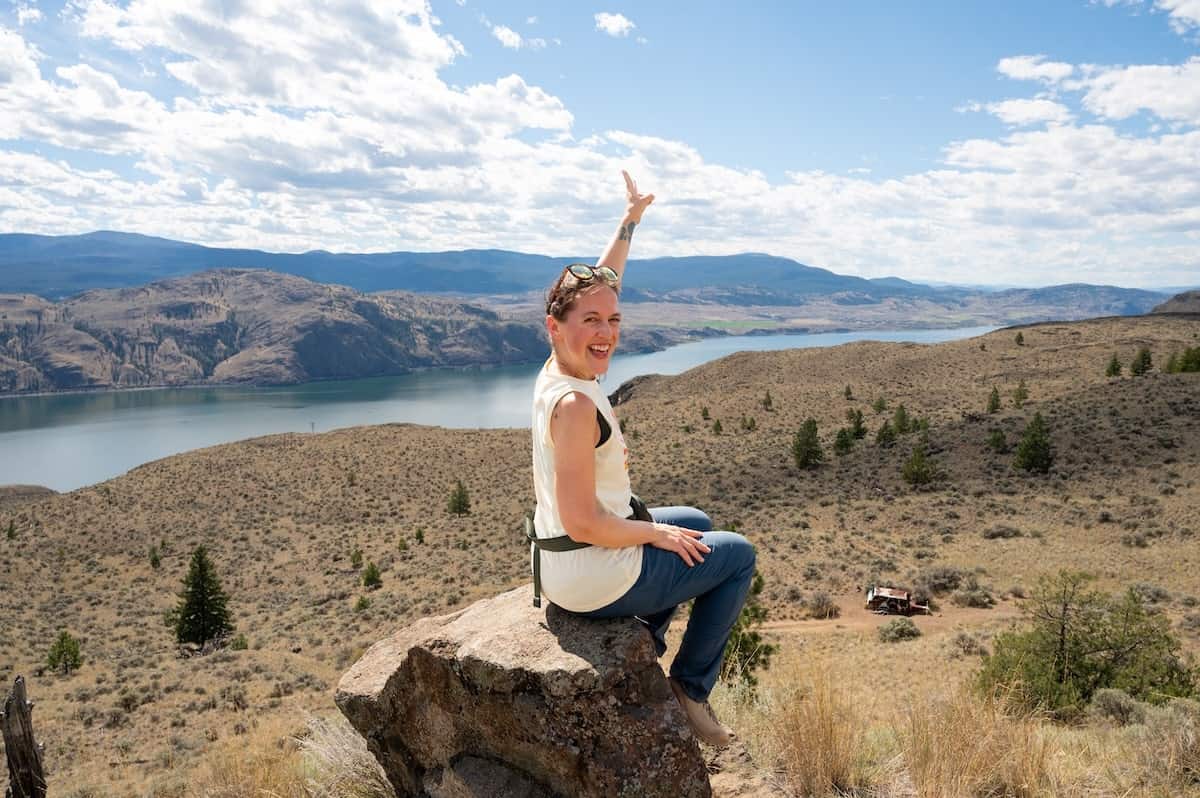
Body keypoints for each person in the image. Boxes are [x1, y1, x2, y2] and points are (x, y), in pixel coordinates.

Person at [529, 171, 756, 747]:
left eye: (614, 320)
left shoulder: (561, 367)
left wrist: (630, 219)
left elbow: (602, 284)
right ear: (555, 327)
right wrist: (651, 536)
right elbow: (583, 521)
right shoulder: (576, 405)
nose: (606, 333)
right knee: (734, 555)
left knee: (697, 522)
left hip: (565, 558)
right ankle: (690, 691)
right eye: (591, 323)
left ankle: (642, 644)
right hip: (589, 572)